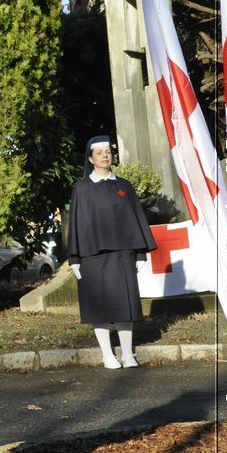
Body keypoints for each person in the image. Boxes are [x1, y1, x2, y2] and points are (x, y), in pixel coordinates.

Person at [67, 135, 156, 369]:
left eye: (108, 151)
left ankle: (128, 354)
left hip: (123, 255)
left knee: (125, 305)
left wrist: (139, 253)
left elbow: (136, 218)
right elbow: (75, 224)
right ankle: (107, 354)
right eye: (99, 153)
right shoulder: (82, 189)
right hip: (92, 257)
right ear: (90, 158)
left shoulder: (124, 186)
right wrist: (74, 257)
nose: (105, 155)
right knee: (99, 307)